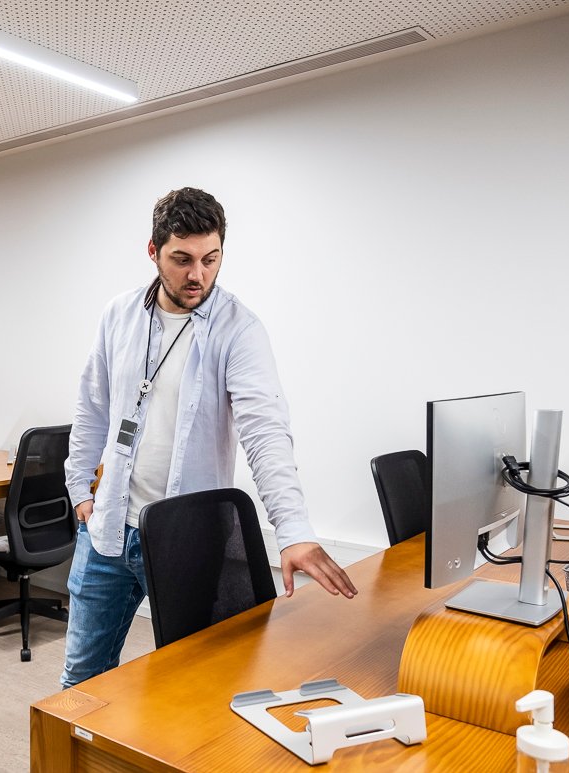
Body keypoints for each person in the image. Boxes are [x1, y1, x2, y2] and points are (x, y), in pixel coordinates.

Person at [61, 187, 357, 688]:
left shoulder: (239, 330)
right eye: (182, 259)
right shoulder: (119, 315)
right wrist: (78, 490)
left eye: (210, 259)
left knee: (195, 685)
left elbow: (265, 432)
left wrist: (293, 529)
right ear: (153, 251)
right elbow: (92, 408)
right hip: (107, 529)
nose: (197, 274)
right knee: (81, 682)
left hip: (188, 539)